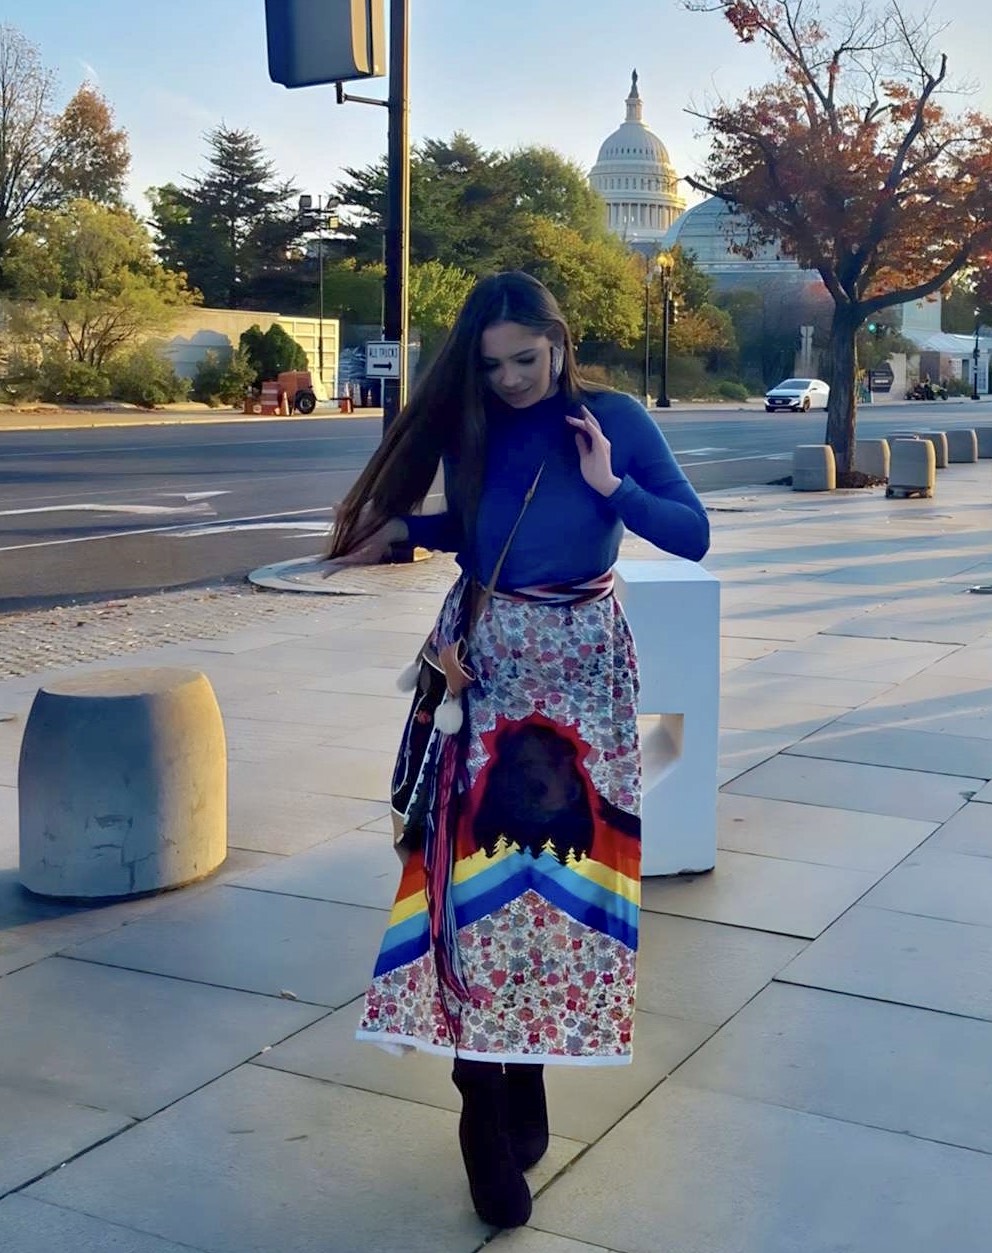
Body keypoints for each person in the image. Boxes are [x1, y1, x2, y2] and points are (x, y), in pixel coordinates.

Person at [327, 271, 709, 1228]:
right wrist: (402, 531)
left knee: (557, 889)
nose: (507, 380)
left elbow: (693, 533)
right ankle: (479, 1100)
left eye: (525, 360)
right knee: (470, 885)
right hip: (485, 675)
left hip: (584, 683)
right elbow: (480, 528)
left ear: (560, 340)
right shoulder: (475, 421)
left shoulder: (612, 417)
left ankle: (523, 1071)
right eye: (491, 364)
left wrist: (609, 485)